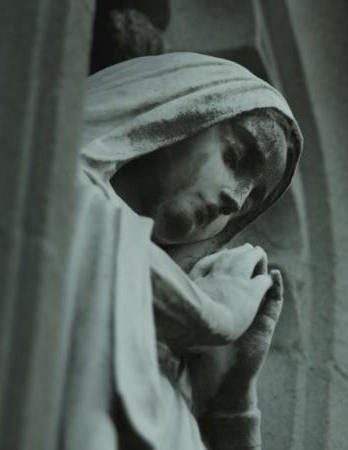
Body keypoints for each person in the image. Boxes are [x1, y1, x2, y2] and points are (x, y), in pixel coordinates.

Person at [59, 52, 302, 450]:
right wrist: (217, 313)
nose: (234, 200)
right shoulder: (46, 185)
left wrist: (229, 401)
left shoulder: (172, 366)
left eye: (250, 199)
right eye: (233, 157)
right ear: (171, 115)